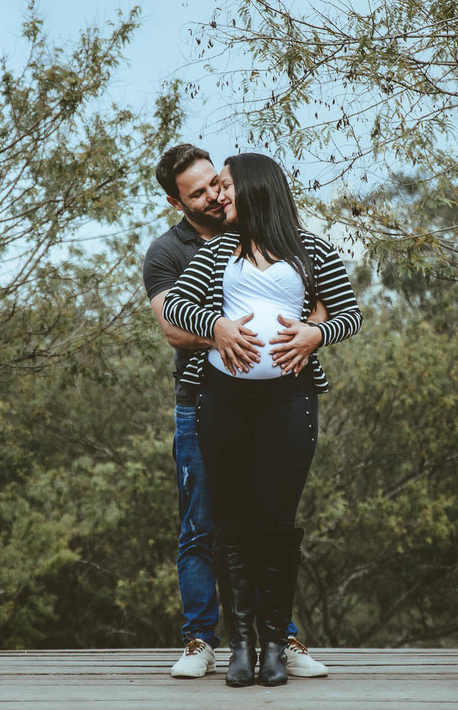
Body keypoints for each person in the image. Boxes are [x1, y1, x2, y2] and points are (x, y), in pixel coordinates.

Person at [162, 152, 363, 688]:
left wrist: (317, 334)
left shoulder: (311, 248)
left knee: (275, 523)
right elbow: (176, 308)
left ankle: (276, 644)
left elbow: (350, 312)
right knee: (229, 524)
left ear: (253, 189)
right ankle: (241, 647)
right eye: (214, 189)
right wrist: (219, 328)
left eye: (226, 187)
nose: (219, 196)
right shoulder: (216, 251)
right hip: (222, 402)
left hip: (289, 403)